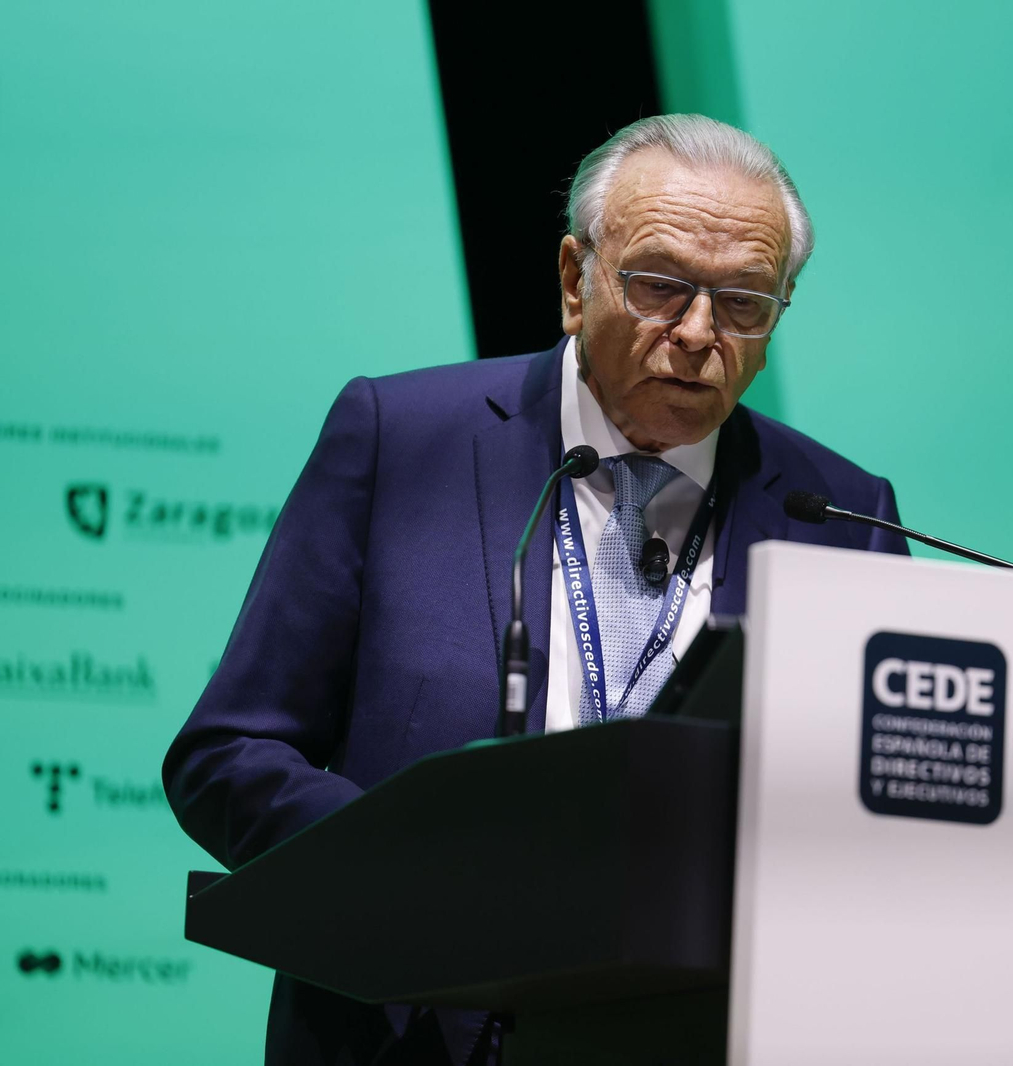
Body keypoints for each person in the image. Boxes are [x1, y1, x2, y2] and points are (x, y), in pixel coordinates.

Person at [163, 114, 909, 1065]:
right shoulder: (400, 439)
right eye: (659, 285)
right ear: (574, 280)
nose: (696, 334)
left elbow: (875, 818)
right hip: (410, 1030)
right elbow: (228, 750)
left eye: (744, 302)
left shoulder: (841, 512)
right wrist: (409, 876)